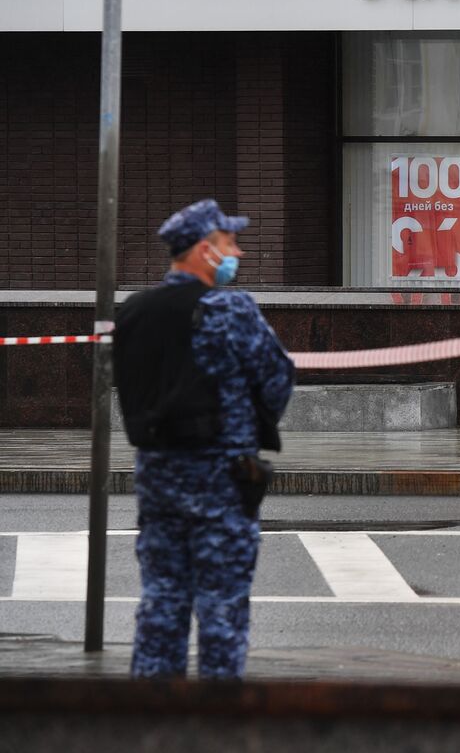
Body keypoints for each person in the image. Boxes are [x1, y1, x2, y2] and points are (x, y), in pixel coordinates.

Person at [113, 199, 294, 680]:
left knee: (162, 598)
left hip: (157, 474)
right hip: (221, 477)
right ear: (203, 250)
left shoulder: (133, 312)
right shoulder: (232, 310)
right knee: (222, 606)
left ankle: (153, 711)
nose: (239, 251)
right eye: (229, 242)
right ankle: (217, 718)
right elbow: (276, 381)